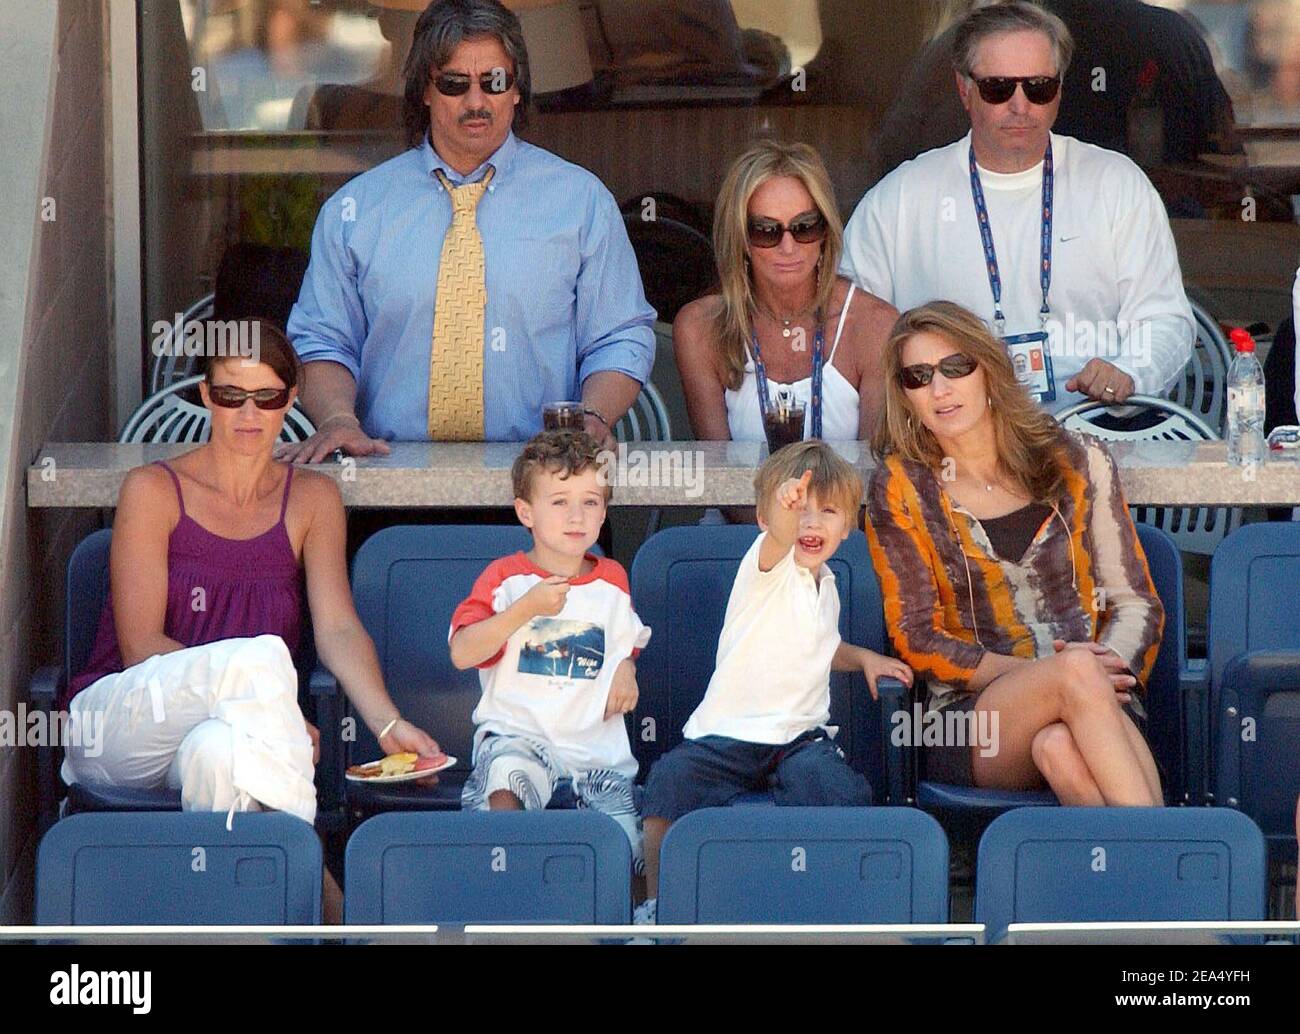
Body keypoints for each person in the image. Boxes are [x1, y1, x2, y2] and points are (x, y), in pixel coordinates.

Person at [60, 324, 441, 913]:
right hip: (119, 723)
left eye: (265, 397)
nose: (248, 413)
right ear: (206, 396)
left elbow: (337, 628)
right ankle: (328, 895)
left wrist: (390, 725)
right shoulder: (152, 489)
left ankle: (234, 927)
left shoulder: (312, 499)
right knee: (263, 656)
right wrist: (276, 711)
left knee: (222, 757)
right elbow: (138, 647)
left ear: (290, 400)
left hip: (233, 736)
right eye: (231, 395)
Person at [281, 0, 655, 463]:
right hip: (386, 479)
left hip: (550, 483)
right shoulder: (355, 210)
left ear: (516, 90)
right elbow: (322, 339)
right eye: (454, 84)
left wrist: (592, 416)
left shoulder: (581, 202)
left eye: (494, 82)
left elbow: (619, 336)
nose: (476, 102)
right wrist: (339, 419)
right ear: (424, 90)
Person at [865, 301, 1164, 806]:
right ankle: (1170, 859)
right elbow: (914, 635)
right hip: (969, 717)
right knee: (1073, 676)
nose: (939, 389)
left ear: (990, 369)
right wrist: (1046, 675)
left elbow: (1136, 602)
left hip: (1097, 699)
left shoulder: (1079, 459)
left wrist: (1105, 668)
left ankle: (1127, 878)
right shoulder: (900, 486)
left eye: (955, 367)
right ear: (904, 396)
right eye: (918, 377)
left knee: (1059, 748)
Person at [842, 1, 1195, 416]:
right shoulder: (899, 199)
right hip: (949, 445)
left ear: (1059, 90)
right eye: (998, 88)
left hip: (1093, 428)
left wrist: (1128, 371)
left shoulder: (1116, 183)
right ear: (964, 90)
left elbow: (1166, 318)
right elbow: (850, 330)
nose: (1020, 104)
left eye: (1038, 87)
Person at [635, 440, 914, 923]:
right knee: (669, 782)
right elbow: (781, 540)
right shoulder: (766, 567)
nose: (810, 522)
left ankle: (845, 908)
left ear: (848, 527)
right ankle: (655, 904)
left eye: (827, 511)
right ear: (766, 519)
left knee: (839, 791)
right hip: (726, 734)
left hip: (798, 739)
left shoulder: (825, 584)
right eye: (796, 509)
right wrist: (785, 514)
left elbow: (819, 647)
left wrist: (865, 657)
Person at [448, 431, 650, 867]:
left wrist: (626, 669)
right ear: (526, 512)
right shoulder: (505, 579)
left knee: (627, 849)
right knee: (505, 781)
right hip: (520, 738)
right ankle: (504, 892)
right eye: (559, 501)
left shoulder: (613, 578)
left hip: (595, 752)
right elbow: (463, 651)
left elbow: (626, 638)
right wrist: (527, 608)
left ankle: (631, 924)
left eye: (591, 501)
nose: (576, 515)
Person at [675, 139, 897, 447]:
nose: (788, 247)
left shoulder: (875, 325)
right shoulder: (700, 327)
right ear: (740, 239)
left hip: (847, 496)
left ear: (825, 233)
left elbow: (874, 474)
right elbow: (718, 476)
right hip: (744, 497)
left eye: (805, 227)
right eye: (766, 231)